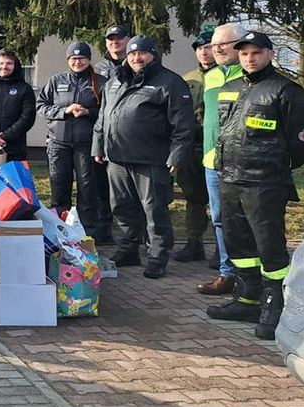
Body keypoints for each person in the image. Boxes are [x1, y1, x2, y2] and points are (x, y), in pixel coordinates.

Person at [206, 31, 304, 340]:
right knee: (239, 244)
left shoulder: (287, 91)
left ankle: (273, 305)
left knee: (269, 247)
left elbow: (302, 143)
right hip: (231, 180)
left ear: (270, 54)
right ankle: (247, 297)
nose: (249, 58)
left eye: (256, 53)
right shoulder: (230, 88)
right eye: (244, 54)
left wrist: (272, 167)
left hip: (265, 184)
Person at [92, 35, 194, 279]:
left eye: (142, 53)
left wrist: (177, 155)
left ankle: (157, 256)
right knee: (122, 207)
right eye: (132, 54)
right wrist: (98, 146)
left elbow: (183, 125)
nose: (137, 58)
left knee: (154, 209)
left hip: (151, 159)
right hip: (116, 157)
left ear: (153, 55)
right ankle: (128, 249)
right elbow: (102, 117)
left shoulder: (170, 82)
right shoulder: (115, 80)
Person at [36, 42, 108, 240]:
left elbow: (107, 113)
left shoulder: (100, 82)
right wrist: (63, 111)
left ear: (88, 60)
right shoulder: (56, 81)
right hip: (58, 144)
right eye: (74, 58)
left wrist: (87, 112)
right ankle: (58, 233)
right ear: (68, 60)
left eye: (82, 58)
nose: (78, 62)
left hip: (86, 145)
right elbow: (41, 106)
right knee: (59, 188)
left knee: (87, 189)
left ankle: (86, 235)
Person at [197, 22, 247, 295]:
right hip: (211, 161)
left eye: (222, 45)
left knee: (245, 219)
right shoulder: (213, 76)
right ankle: (227, 273)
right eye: (214, 45)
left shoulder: (249, 73)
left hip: (240, 162)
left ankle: (249, 276)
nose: (216, 49)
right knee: (219, 219)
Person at [172, 30, 214, 263]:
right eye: (200, 49)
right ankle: (194, 242)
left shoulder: (227, 77)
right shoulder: (187, 79)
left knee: (221, 201)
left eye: (208, 47)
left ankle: (222, 247)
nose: (204, 52)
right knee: (193, 197)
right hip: (191, 145)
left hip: (216, 145)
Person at [91, 24, 131, 244]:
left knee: (130, 192)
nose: (115, 42)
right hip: (103, 136)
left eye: (119, 38)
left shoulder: (136, 63)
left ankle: (135, 236)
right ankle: (104, 229)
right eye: (111, 39)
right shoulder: (97, 70)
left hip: (129, 139)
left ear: (128, 40)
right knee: (101, 188)